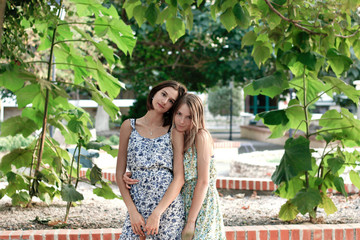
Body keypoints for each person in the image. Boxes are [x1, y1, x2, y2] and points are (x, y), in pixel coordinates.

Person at [124, 93, 226, 240]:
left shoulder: (201, 136)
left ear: (196, 117)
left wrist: (191, 222)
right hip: (183, 201)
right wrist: (130, 174)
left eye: (189, 117)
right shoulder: (179, 135)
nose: (182, 121)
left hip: (202, 205)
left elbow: (204, 182)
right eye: (179, 114)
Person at [116, 80, 187, 240]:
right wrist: (132, 211)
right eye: (163, 94)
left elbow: (179, 177)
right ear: (154, 93)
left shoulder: (174, 131)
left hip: (167, 210)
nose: (164, 101)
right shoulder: (129, 126)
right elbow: (119, 174)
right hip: (137, 205)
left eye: (171, 101)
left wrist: (157, 213)